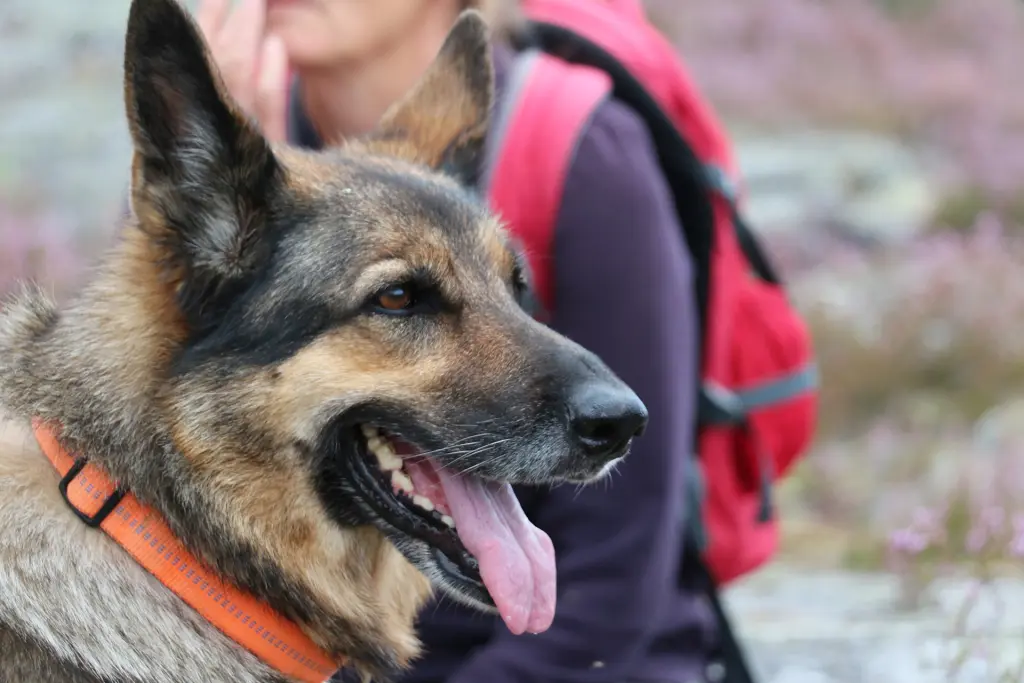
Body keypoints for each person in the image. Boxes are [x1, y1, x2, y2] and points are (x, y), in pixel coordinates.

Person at [195, 1, 719, 681]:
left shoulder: (587, 154)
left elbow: (619, 570)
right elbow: (169, 418)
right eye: (399, 296)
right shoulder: (248, 147)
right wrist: (228, 193)